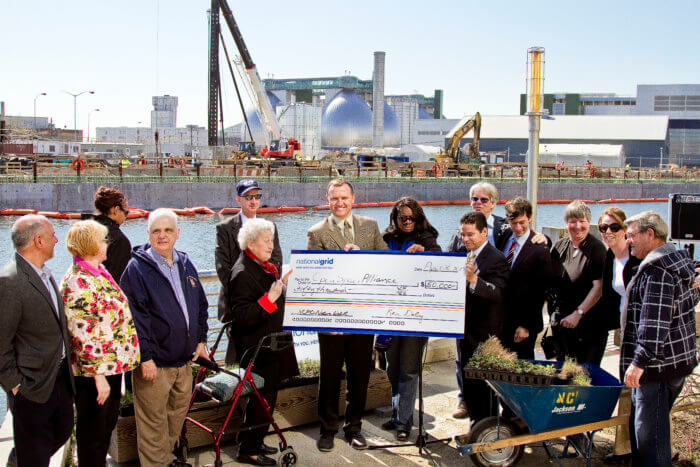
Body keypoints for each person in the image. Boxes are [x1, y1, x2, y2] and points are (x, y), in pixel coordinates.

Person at [119, 208, 209, 467]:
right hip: (154, 365)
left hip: (184, 361)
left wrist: (200, 340)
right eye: (156, 230)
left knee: (175, 416)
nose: (162, 236)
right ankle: (156, 463)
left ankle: (166, 459)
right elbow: (135, 319)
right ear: (147, 233)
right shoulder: (136, 269)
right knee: (152, 424)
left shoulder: (184, 262)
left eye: (168, 230)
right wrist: (145, 357)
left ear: (177, 234)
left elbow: (201, 304)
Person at [306, 178, 388, 452]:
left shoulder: (370, 226)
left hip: (363, 316)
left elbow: (385, 265)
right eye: (334, 198)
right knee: (329, 376)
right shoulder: (316, 232)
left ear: (353, 198)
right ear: (327, 200)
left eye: (344, 197)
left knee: (360, 375)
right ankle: (327, 429)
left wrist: (361, 256)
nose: (339, 203)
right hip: (331, 319)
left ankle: (354, 428)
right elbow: (314, 278)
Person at [60, 220, 140, 467]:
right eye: (103, 239)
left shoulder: (98, 272)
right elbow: (82, 332)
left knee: (105, 430)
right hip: (95, 374)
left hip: (111, 367)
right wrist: (98, 377)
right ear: (91, 245)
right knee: (93, 435)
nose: (107, 243)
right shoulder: (77, 280)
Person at [621, 211, 698, 467]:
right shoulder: (679, 261)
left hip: (656, 369)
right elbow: (683, 306)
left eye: (631, 236)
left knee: (650, 444)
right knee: (655, 433)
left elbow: (654, 323)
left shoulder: (658, 272)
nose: (627, 241)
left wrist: (638, 362)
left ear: (650, 234)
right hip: (676, 363)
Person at [0, 215, 74, 466]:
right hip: (31, 386)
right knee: (35, 455)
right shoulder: (10, 281)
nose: (56, 240)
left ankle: (18, 459)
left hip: (59, 378)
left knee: (63, 429)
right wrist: (16, 386)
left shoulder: (44, 273)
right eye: (52, 235)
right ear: (38, 240)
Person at [227, 218, 298, 466]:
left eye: (271, 239)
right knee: (262, 400)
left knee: (265, 399)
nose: (271, 245)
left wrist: (282, 285)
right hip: (258, 350)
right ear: (250, 242)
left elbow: (273, 296)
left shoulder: (263, 266)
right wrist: (270, 299)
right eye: (266, 240)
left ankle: (254, 439)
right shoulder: (242, 272)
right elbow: (243, 317)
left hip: (272, 346)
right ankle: (249, 450)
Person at [380, 197, 441, 440]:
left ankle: (405, 422)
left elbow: (441, 265)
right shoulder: (387, 239)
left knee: (409, 369)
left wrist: (425, 254)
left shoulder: (428, 239)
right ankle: (397, 415)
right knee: (392, 368)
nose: (407, 222)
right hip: (389, 315)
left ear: (419, 218)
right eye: (402, 218)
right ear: (395, 218)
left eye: (411, 218)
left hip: (416, 316)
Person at [215, 179, 282, 363]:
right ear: (239, 199)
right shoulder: (225, 228)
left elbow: (276, 261)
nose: (253, 201)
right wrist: (244, 288)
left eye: (257, 196)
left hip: (267, 304)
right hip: (237, 305)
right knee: (239, 360)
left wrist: (266, 295)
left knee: (265, 361)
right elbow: (223, 268)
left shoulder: (270, 227)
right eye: (248, 197)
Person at [597, 207, 641, 464]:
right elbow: (609, 298)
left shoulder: (637, 259)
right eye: (604, 228)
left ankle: (648, 448)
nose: (608, 232)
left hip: (641, 331)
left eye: (614, 227)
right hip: (625, 330)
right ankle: (625, 449)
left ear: (626, 230)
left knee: (644, 392)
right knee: (628, 388)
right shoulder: (610, 257)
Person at [458, 212, 509, 426]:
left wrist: (473, 280)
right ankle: (475, 422)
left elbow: (498, 293)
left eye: (471, 235)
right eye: (463, 235)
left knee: (485, 386)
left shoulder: (496, 258)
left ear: (484, 232)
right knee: (468, 381)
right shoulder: (462, 253)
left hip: (485, 333)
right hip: (464, 331)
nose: (466, 239)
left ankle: (488, 425)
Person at [550, 200, 606, 365]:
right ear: (566, 223)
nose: (578, 226)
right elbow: (549, 281)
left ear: (589, 223)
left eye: (582, 221)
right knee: (563, 375)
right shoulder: (560, 246)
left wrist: (578, 314)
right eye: (573, 221)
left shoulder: (597, 249)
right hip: (563, 325)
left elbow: (599, 287)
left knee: (583, 377)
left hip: (588, 326)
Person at [497, 197, 552, 360]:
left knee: (521, 367)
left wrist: (526, 325)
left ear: (529, 218)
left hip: (523, 323)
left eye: (522, 222)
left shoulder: (540, 249)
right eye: (514, 223)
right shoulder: (506, 236)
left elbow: (541, 291)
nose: (518, 227)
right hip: (502, 319)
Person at [82, 186, 132, 282]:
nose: (125, 216)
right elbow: (118, 280)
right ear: (116, 210)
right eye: (125, 212)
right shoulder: (119, 240)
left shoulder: (84, 231)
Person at [446, 181, 508, 252]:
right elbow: (450, 255)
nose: (478, 202)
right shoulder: (460, 230)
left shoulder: (505, 227)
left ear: (493, 203)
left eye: (484, 200)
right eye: (475, 199)